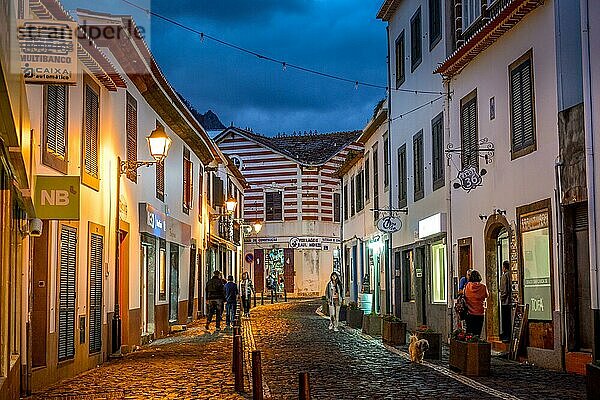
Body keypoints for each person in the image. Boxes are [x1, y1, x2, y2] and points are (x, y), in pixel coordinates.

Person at [464, 270, 489, 337]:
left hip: (470, 313)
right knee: (477, 333)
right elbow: (486, 295)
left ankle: (470, 346)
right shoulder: (483, 287)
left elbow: (465, 296)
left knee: (470, 333)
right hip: (480, 312)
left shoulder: (468, 286)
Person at [499, 261, 512, 342]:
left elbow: (504, 289)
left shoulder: (504, 276)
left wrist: (502, 297)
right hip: (510, 301)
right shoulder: (511, 275)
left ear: (504, 267)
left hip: (506, 302)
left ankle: (506, 335)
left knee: (505, 319)